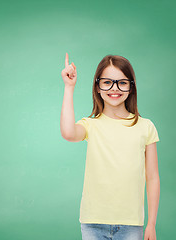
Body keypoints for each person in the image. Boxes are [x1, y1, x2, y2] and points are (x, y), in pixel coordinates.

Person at [60, 53, 160, 240]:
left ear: (131, 87)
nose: (114, 88)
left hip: (131, 224)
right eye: (107, 82)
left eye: (122, 82)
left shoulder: (146, 127)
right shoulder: (91, 125)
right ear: (97, 87)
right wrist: (69, 87)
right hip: (93, 223)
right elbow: (68, 133)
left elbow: (153, 178)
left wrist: (151, 224)